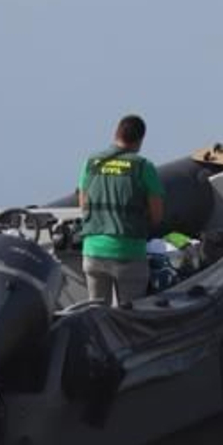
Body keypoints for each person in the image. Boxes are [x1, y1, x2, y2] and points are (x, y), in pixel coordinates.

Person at [77, 114, 165, 306]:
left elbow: (84, 205)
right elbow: (157, 216)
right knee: (131, 317)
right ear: (140, 139)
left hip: (93, 252)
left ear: (116, 133)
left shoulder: (90, 163)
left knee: (97, 314)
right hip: (128, 253)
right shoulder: (143, 167)